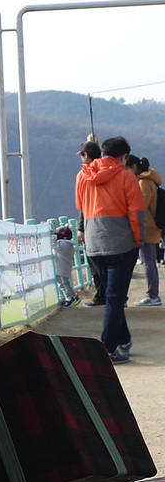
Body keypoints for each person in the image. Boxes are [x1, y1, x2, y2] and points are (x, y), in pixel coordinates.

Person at [75, 135, 144, 363]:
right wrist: (138, 241)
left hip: (94, 246)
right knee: (115, 298)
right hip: (121, 246)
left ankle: (123, 340)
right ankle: (108, 348)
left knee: (113, 297)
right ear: (123, 157)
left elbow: (80, 207)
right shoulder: (127, 177)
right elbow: (136, 214)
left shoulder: (82, 176)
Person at [77, 139, 106, 304]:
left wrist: (81, 228)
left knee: (95, 262)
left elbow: (82, 204)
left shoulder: (83, 175)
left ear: (85, 155)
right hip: (112, 224)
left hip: (91, 223)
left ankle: (101, 295)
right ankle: (117, 296)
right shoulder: (112, 171)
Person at [131, 155, 162, 306]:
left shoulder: (144, 182)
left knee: (147, 261)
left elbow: (140, 207)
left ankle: (153, 295)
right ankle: (153, 294)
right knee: (150, 260)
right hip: (152, 227)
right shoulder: (151, 180)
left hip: (146, 228)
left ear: (134, 168)